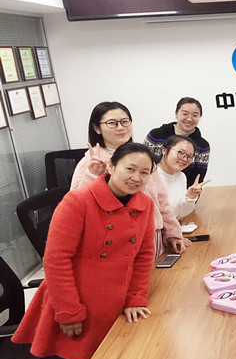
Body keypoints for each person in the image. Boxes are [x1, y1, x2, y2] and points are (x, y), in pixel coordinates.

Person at [13, 143, 157, 359]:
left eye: (144, 172)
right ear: (111, 166)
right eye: (130, 169)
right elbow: (56, 259)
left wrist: (135, 297)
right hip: (79, 302)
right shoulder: (78, 201)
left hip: (118, 301)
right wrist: (69, 312)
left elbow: (143, 255)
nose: (136, 178)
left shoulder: (145, 204)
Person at [71, 101, 186, 259]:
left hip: (152, 234)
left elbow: (160, 198)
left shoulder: (143, 156)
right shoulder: (90, 162)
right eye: (112, 123)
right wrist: (93, 174)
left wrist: (173, 233)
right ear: (97, 128)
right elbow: (76, 204)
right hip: (115, 241)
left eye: (125, 121)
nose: (120, 127)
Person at [144, 97, 210, 187]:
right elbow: (143, 164)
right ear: (176, 113)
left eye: (195, 115)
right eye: (185, 114)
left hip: (182, 192)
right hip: (150, 188)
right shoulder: (156, 135)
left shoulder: (202, 146)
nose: (189, 119)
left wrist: (189, 195)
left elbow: (197, 179)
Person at [158, 135, 211, 220]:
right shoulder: (150, 176)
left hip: (174, 225)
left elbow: (181, 213)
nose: (185, 159)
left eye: (189, 156)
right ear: (164, 150)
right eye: (181, 153)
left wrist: (190, 197)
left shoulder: (181, 177)